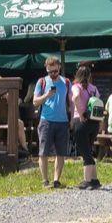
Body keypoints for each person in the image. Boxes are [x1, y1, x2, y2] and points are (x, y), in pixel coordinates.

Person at [32, 56, 71, 188]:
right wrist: (47, 95)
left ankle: (56, 180)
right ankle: (45, 180)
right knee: (43, 152)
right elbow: (35, 102)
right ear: (46, 69)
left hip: (63, 121)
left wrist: (73, 118)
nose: (53, 74)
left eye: (55, 71)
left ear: (59, 67)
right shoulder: (42, 82)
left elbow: (71, 102)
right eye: (50, 72)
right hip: (46, 121)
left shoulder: (66, 82)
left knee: (61, 153)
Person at [68, 63, 104, 190]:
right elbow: (99, 104)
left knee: (84, 152)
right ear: (89, 76)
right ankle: (94, 180)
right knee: (88, 150)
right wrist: (100, 123)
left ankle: (87, 181)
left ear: (77, 75)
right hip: (94, 123)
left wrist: (80, 114)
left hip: (81, 122)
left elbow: (76, 98)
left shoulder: (75, 87)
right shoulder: (93, 88)